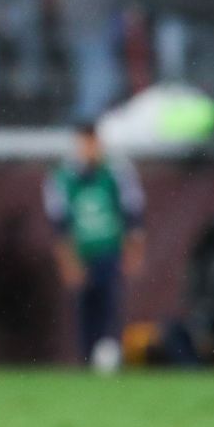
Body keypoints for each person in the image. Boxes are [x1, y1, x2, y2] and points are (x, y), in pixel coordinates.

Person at [44, 122, 145, 371]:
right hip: (82, 253)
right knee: (84, 309)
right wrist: (67, 261)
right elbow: (59, 225)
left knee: (111, 306)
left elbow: (132, 213)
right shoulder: (62, 176)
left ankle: (111, 358)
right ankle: (87, 360)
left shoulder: (117, 171)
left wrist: (133, 250)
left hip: (110, 250)